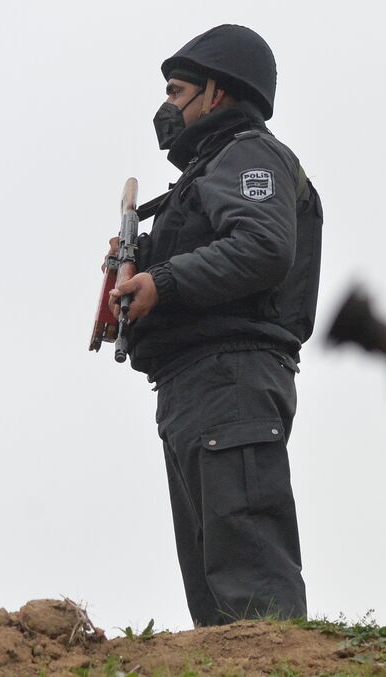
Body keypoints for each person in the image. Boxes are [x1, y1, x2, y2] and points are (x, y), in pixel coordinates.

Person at [109, 24, 322, 627]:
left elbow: (262, 246)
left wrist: (163, 281)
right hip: (197, 387)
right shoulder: (208, 173)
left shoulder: (248, 155)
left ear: (217, 93)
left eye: (178, 91)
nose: (167, 107)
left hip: (231, 378)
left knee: (250, 581)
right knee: (216, 590)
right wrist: (140, 263)